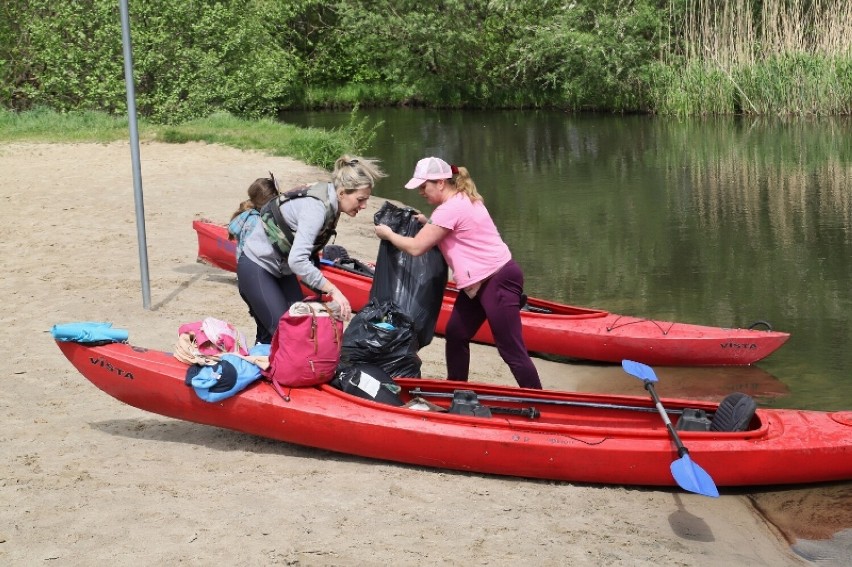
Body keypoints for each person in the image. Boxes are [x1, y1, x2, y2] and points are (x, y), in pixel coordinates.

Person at [374, 157, 542, 390]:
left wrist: (388, 235)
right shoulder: (462, 200)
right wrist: (426, 221)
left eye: (424, 186)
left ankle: (538, 400)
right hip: (480, 282)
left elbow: (416, 248)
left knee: (510, 348)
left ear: (441, 183)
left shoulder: (449, 209)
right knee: (456, 334)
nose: (421, 192)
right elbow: (447, 228)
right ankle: (455, 389)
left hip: (497, 279)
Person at [238, 155, 387, 344]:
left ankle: (266, 360)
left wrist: (319, 293)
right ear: (342, 193)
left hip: (282, 270)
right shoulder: (316, 208)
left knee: (300, 326)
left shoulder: (332, 202)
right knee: (286, 332)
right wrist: (334, 290)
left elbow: (309, 253)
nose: (364, 206)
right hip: (256, 267)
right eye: (360, 199)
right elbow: (298, 260)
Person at [227, 174, 279, 262]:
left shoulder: (247, 214)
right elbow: (250, 250)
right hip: (253, 265)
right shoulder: (255, 221)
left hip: (246, 265)